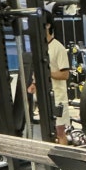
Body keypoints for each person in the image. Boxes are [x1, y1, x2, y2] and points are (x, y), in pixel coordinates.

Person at [28, 15, 70, 145]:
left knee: (59, 132)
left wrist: (46, 73)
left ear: (48, 25)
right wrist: (34, 83)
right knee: (47, 131)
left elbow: (65, 74)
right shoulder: (40, 48)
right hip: (44, 98)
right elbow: (37, 70)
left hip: (58, 98)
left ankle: (63, 158)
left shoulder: (58, 47)